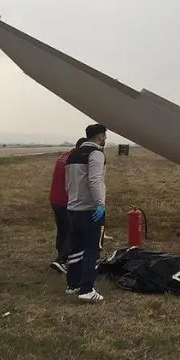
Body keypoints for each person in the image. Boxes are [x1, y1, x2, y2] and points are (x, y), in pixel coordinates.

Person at [64, 124, 108, 302]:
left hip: (73, 208)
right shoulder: (96, 154)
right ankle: (87, 289)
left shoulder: (72, 155)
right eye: (104, 135)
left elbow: (68, 183)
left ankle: (72, 284)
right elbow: (95, 179)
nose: (105, 138)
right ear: (99, 136)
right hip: (89, 210)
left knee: (76, 249)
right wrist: (100, 204)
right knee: (92, 250)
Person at [48, 136, 87, 274]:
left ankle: (60, 255)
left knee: (62, 229)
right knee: (72, 230)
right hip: (66, 201)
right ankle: (62, 260)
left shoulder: (63, 156)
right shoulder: (75, 160)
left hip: (54, 199)